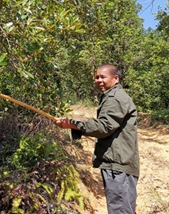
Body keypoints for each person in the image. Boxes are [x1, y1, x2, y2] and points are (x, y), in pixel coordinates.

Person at [55, 64, 140, 214]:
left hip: (118, 165)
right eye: (96, 77)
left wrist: (73, 124)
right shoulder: (110, 96)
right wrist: (73, 126)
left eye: (103, 77)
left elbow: (104, 127)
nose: (99, 80)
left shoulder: (116, 98)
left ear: (115, 79)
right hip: (116, 163)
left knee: (120, 210)